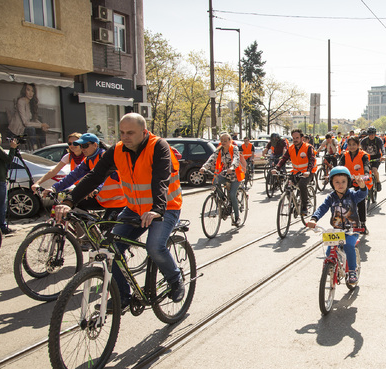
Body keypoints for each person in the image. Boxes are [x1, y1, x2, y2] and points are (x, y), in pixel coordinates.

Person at [53, 113, 184, 310]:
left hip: (166, 207)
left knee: (155, 247)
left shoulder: (158, 146)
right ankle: (122, 297)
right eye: (122, 132)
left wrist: (157, 209)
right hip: (134, 209)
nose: (125, 137)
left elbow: (161, 179)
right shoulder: (117, 150)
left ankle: (175, 279)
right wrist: (71, 201)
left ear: (144, 131)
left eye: (130, 133)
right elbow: (95, 176)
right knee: (109, 251)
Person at [306, 166, 367, 285]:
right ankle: (333, 267)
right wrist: (314, 219)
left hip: (352, 229)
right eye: (337, 182)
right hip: (337, 230)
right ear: (332, 183)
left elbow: (362, 194)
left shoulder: (353, 195)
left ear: (348, 182)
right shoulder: (331, 197)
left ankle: (352, 271)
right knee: (329, 251)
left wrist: (362, 186)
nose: (340, 185)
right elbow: (322, 208)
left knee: (349, 245)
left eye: (343, 182)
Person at [43, 133, 126, 219]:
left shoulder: (105, 157)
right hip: (101, 200)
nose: (82, 149)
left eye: (85, 146)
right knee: (75, 204)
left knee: (107, 230)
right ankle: (89, 227)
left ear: (95, 145)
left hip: (118, 201)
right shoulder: (88, 160)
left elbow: (103, 176)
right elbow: (73, 176)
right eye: (81, 146)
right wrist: (54, 188)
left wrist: (96, 188)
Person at [201, 132, 245, 226]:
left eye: (225, 140)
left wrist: (232, 167)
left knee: (232, 195)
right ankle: (223, 199)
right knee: (215, 181)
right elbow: (212, 158)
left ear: (230, 141)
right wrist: (204, 167)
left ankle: (237, 218)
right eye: (222, 140)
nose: (223, 142)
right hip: (224, 174)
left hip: (235, 175)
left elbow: (236, 158)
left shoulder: (234, 148)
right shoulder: (219, 150)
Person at [273, 129, 315, 215]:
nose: (295, 140)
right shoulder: (291, 148)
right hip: (296, 172)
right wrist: (276, 168)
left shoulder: (308, 147)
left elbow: (312, 159)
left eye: (297, 138)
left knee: (302, 185)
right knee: (287, 187)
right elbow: (284, 159)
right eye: (293, 138)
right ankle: (293, 203)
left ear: (302, 138)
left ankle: (304, 206)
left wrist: (308, 171)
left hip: (308, 172)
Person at [338, 136, 371, 234]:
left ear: (358, 145)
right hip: (348, 181)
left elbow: (366, 165)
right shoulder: (345, 155)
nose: (351, 147)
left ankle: (363, 223)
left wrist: (366, 175)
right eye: (350, 145)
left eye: (354, 144)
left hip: (360, 181)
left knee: (360, 202)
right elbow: (340, 165)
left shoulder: (363, 155)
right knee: (341, 199)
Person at [0, 131, 19, 234]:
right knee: (0, 205)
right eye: (0, 137)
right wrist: (13, 148)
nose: (0, 139)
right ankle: (2, 227)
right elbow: (8, 159)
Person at [7, 83, 49, 149]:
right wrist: (40, 125)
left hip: (24, 130)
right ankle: (34, 148)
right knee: (31, 129)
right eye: (28, 90)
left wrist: (42, 125)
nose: (30, 93)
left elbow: (33, 119)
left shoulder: (30, 103)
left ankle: (43, 147)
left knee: (41, 130)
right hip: (16, 132)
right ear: (24, 91)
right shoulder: (21, 101)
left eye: (32, 91)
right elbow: (25, 123)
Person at [360, 126, 384, 191]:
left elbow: (382, 148)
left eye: (373, 134)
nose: (372, 136)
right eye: (370, 134)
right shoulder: (364, 141)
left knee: (374, 170)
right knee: (364, 172)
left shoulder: (378, 140)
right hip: (366, 157)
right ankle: (364, 184)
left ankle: (378, 182)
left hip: (376, 157)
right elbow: (360, 149)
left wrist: (383, 156)